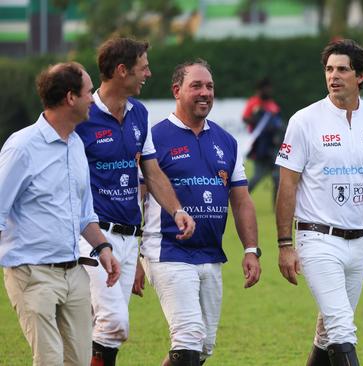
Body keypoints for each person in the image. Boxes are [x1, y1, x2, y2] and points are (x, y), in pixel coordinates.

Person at [275, 39, 363, 366]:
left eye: (342, 69)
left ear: (360, 76)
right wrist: (285, 244)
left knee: (328, 334)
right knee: (342, 329)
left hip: (360, 242)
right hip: (317, 238)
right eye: (328, 69)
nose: (333, 76)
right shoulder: (304, 121)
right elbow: (287, 184)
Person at [74, 37, 196, 365]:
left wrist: (177, 210)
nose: (149, 73)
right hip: (94, 236)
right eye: (143, 68)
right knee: (113, 324)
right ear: (122, 70)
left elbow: (152, 171)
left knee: (88, 326)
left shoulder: (140, 113)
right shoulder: (83, 117)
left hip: (131, 237)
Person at [139, 59, 262, 366]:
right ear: (177, 90)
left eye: (209, 86)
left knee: (202, 346)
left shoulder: (226, 141)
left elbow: (242, 200)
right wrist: (132, 257)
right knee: (188, 337)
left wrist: (251, 250)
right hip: (167, 251)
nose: (205, 92)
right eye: (196, 86)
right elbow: (136, 199)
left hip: (210, 254)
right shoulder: (153, 138)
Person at [0, 62, 120, 366]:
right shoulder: (22, 147)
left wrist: (103, 247)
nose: (93, 98)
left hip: (74, 273)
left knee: (79, 361)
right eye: (89, 91)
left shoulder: (77, 144)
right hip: (31, 273)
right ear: (70, 98)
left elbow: (84, 214)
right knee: (50, 361)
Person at [242, 77, 284, 201]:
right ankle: (240, 199)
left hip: (273, 146)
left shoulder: (272, 105)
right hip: (259, 146)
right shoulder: (253, 103)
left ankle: (276, 205)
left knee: (277, 177)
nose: (268, 91)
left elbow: (278, 124)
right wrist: (257, 119)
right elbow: (245, 118)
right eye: (266, 88)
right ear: (260, 90)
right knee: (257, 177)